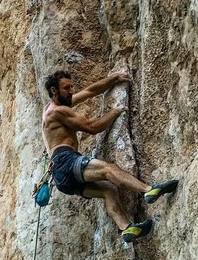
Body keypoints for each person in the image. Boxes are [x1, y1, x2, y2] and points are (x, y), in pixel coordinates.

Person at [41, 70, 177, 242]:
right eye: (66, 88)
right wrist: (115, 111)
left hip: (61, 175)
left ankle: (126, 228)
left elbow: (89, 92)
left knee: (108, 189)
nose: (71, 91)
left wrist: (113, 78)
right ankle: (148, 190)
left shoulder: (50, 109)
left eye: (71, 87)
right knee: (109, 169)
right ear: (54, 91)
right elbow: (93, 126)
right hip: (65, 161)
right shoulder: (57, 111)